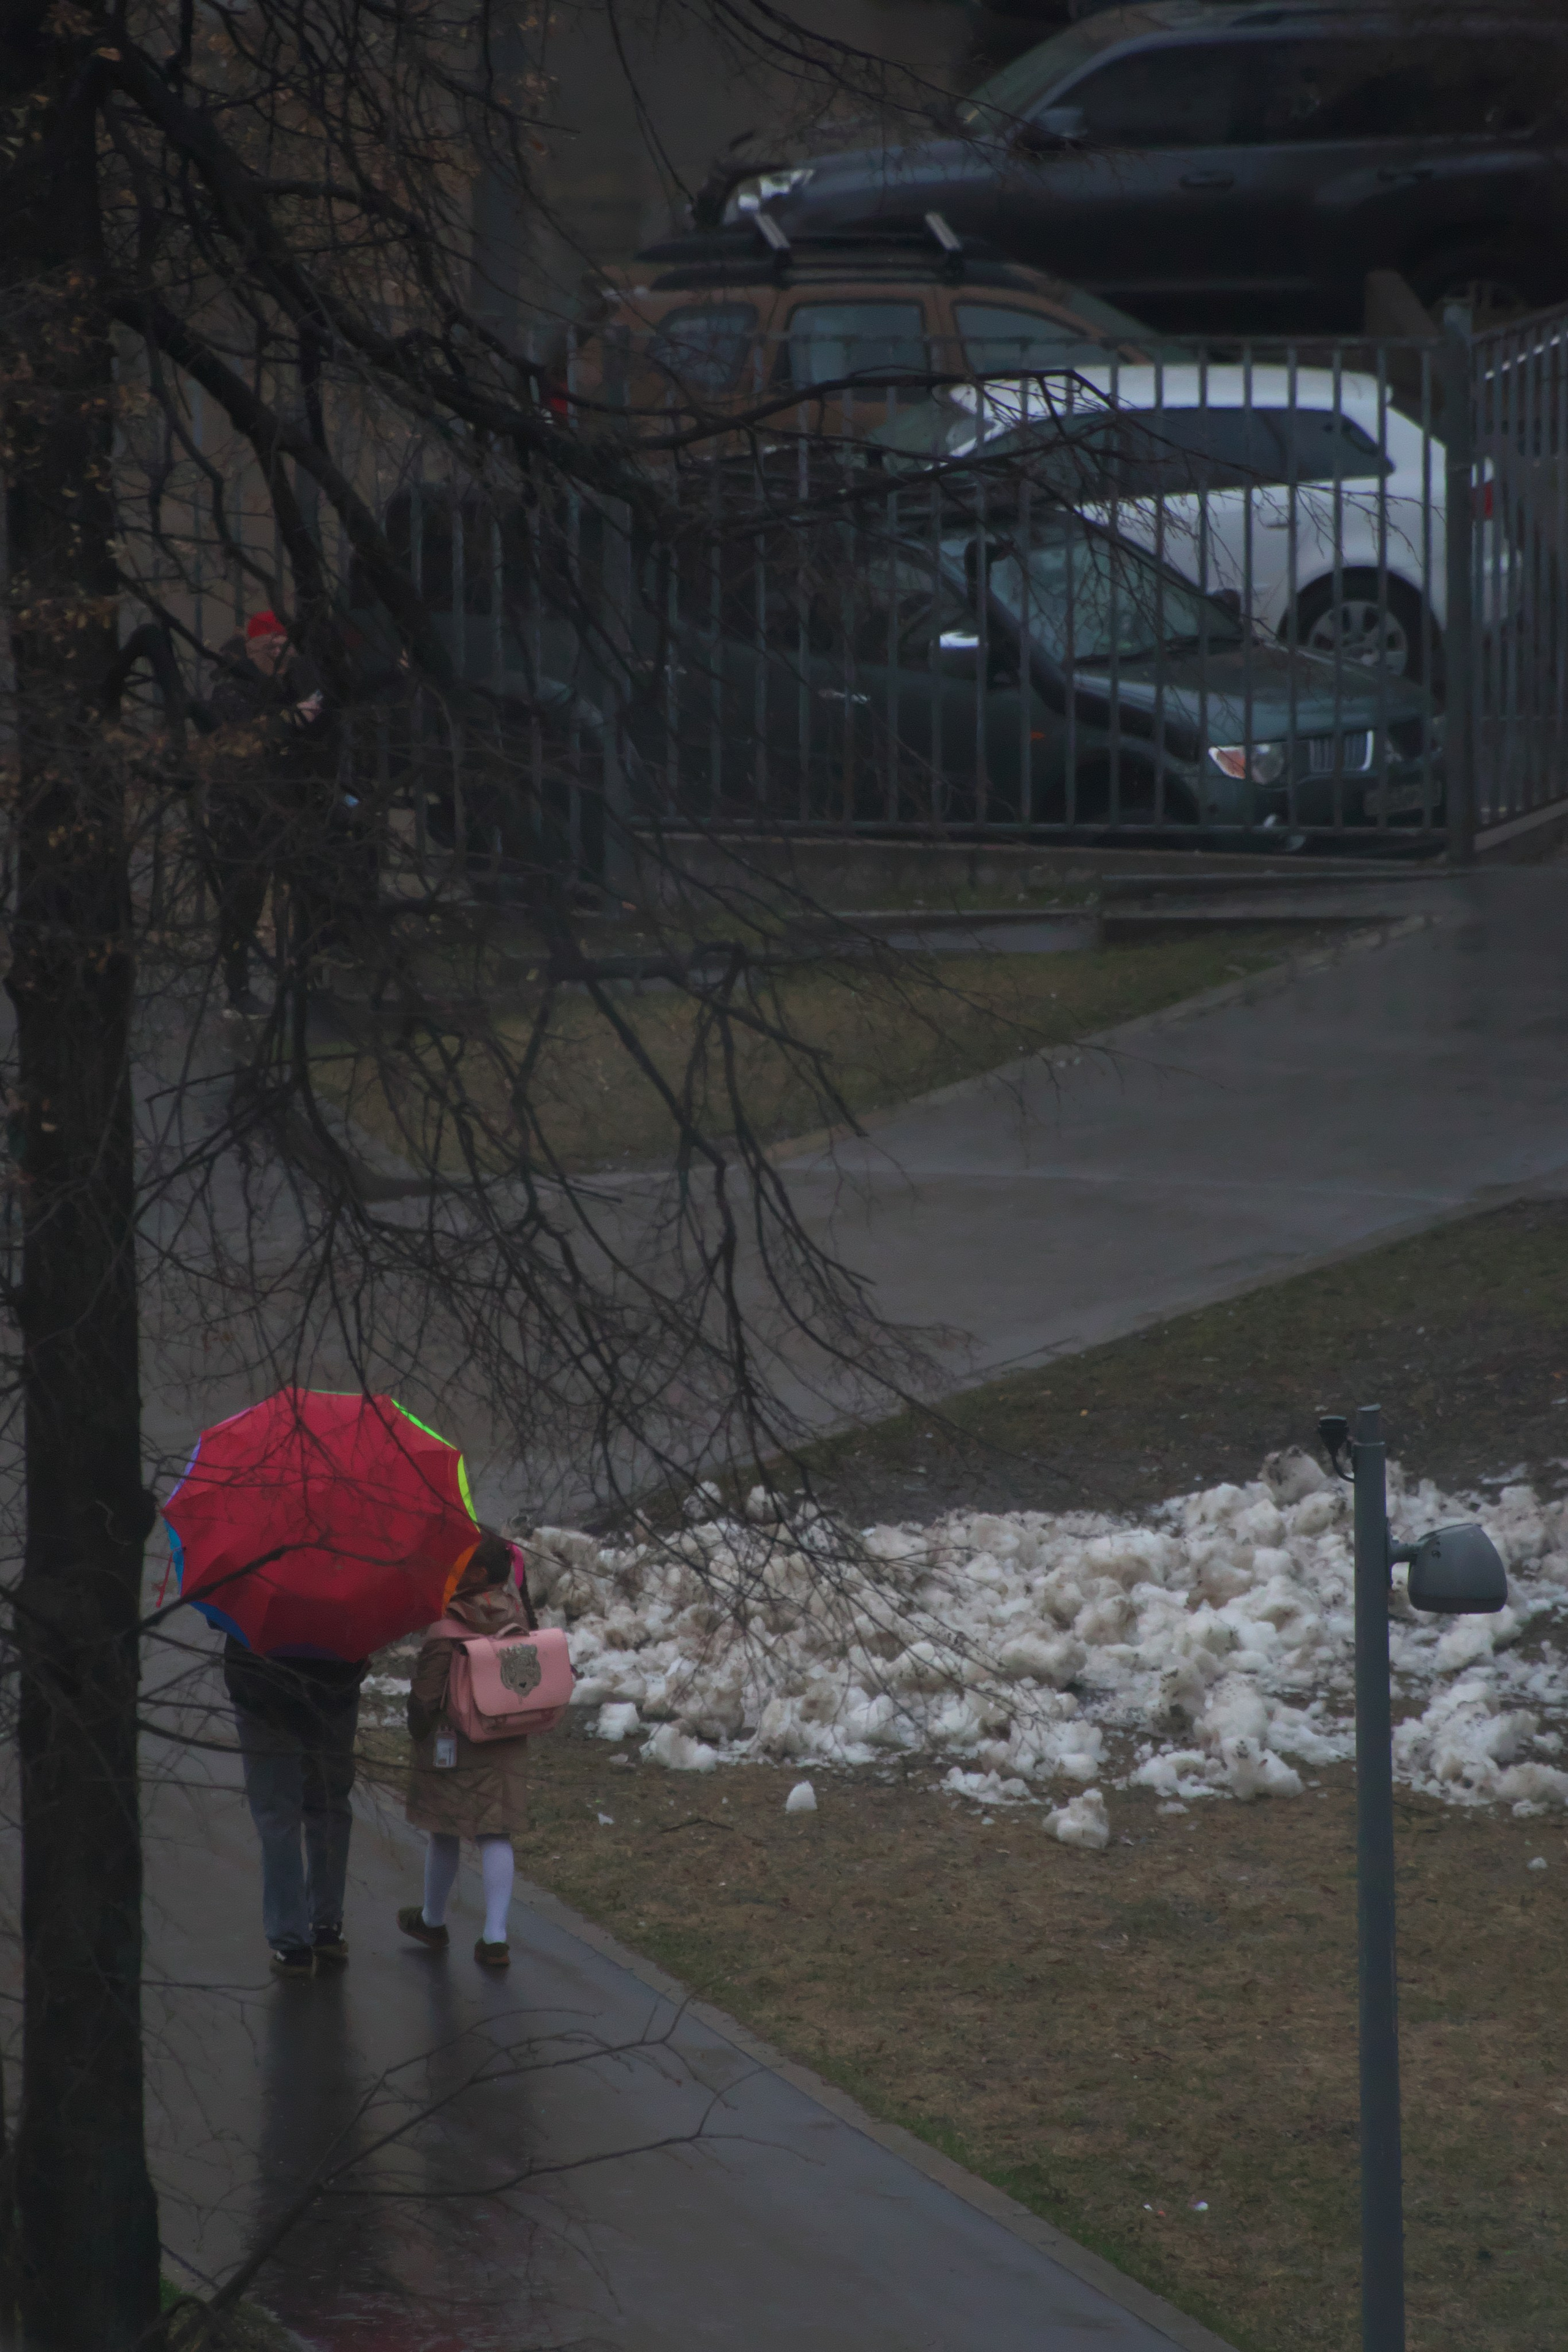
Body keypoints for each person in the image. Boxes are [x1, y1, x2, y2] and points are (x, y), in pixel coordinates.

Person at [398, 1530, 537, 1970]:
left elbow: (425, 1698)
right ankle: (495, 1938)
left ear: (476, 1573)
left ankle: (432, 1920)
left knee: (444, 1831)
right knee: (496, 1834)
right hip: (505, 1742)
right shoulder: (518, 1618)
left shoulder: (448, 1628)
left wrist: (419, 1729)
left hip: (454, 1747)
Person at [203, 609, 331, 1012]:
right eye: (269, 645)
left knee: (309, 892)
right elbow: (253, 738)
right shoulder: (231, 690)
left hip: (286, 807)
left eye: (283, 644)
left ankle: (308, 980)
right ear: (253, 647)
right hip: (239, 813)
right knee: (243, 902)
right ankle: (237, 990)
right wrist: (297, 717)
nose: (278, 652)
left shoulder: (292, 683)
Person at [224, 1636, 369, 1978]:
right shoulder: (344, 1581)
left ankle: (291, 1944)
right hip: (334, 1686)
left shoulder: (253, 1580)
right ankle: (327, 1926)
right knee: (330, 1804)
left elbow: (221, 1615)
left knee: (277, 1816)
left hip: (261, 1690)